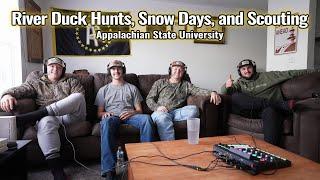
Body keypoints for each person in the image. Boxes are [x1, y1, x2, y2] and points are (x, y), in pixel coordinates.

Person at [0, 57, 86, 180]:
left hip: (71, 116)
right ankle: (57, 172)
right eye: (52, 66)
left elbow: (79, 100)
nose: (55, 69)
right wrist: (6, 95)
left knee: (78, 96)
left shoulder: (72, 81)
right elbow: (20, 90)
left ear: (63, 70)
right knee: (46, 121)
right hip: (49, 118)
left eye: (59, 67)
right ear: (46, 68)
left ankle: (31, 117)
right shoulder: (36, 83)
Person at [221, 59, 319, 145]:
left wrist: (316, 70)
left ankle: (271, 151)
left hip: (268, 110)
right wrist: (226, 86)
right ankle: (280, 105)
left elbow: (291, 73)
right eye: (243, 69)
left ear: (253, 68)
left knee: (270, 111)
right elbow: (224, 92)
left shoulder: (268, 76)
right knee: (235, 97)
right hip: (250, 111)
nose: (247, 71)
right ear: (240, 72)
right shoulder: (239, 83)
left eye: (249, 67)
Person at [95, 60, 154, 179]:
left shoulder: (132, 88)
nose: (116, 71)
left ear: (123, 70)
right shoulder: (103, 90)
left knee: (147, 119)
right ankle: (109, 170)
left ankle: (145, 162)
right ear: (109, 71)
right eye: (113, 69)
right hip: (112, 117)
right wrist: (105, 114)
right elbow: (99, 114)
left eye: (118, 68)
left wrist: (132, 112)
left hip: (131, 116)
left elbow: (140, 110)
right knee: (105, 122)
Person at [146, 60, 221, 141]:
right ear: (170, 70)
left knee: (194, 110)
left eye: (180, 69)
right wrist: (157, 107)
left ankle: (168, 119)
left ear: (184, 72)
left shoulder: (186, 85)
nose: (178, 71)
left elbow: (198, 90)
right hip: (160, 112)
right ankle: (170, 146)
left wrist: (212, 92)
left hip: (177, 113)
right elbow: (149, 99)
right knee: (163, 117)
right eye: (175, 69)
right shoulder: (160, 83)